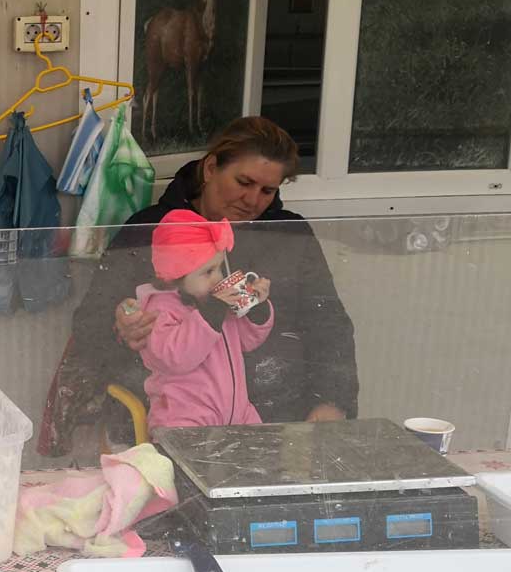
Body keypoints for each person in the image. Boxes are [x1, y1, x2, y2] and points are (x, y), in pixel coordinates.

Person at [41, 116, 357, 455]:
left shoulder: (287, 234)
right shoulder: (150, 231)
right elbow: (91, 323)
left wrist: (333, 399)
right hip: (176, 420)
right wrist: (122, 327)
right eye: (243, 182)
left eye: (267, 190)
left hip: (279, 418)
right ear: (210, 169)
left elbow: (329, 323)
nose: (253, 200)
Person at [134, 209, 273, 430]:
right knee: (188, 460)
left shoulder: (214, 302)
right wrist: (211, 315)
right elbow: (174, 357)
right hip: (184, 417)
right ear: (175, 277)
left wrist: (256, 307)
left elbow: (247, 341)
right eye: (208, 272)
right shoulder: (160, 309)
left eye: (219, 267)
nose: (218, 277)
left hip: (237, 411)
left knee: (261, 453)